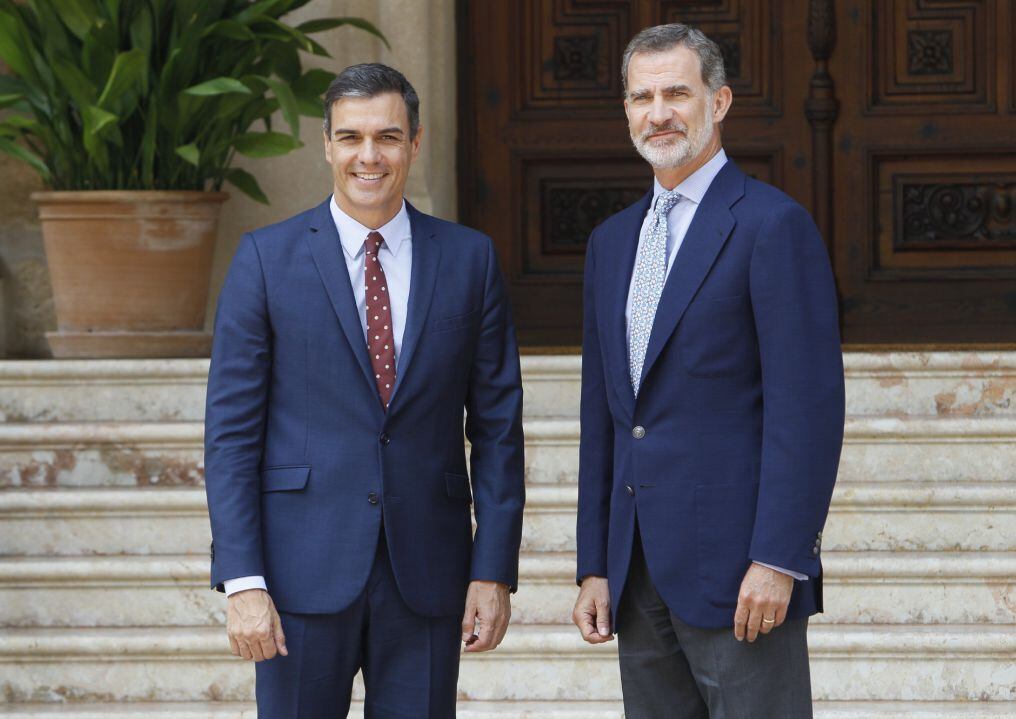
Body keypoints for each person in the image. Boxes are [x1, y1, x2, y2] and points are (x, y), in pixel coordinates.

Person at [204, 62, 525, 718]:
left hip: (428, 575)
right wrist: (243, 580)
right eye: (350, 138)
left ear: (415, 142)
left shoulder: (469, 260)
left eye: (387, 136)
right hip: (299, 574)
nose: (368, 156)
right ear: (326, 144)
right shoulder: (265, 260)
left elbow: (497, 431)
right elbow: (231, 435)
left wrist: (492, 570)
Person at [571, 24, 845, 718]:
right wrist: (596, 563)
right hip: (636, 576)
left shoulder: (772, 226)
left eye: (676, 93)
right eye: (642, 96)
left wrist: (781, 558)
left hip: (740, 575)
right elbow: (606, 418)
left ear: (718, 102)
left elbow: (805, 411)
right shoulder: (610, 244)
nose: (658, 112)